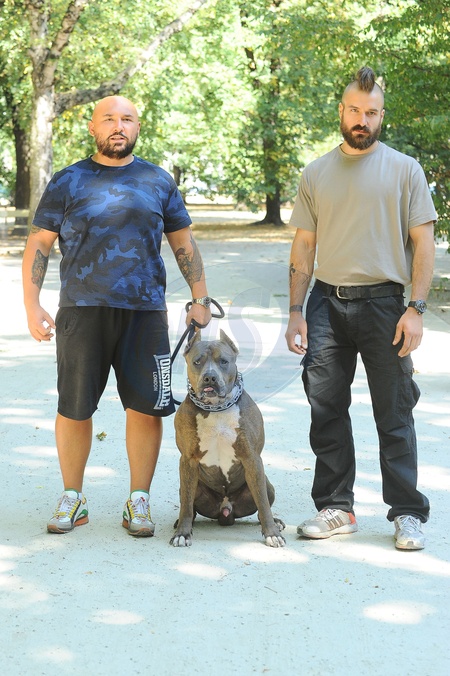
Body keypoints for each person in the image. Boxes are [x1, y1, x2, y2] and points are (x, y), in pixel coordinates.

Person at [22, 95, 212, 537]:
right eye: (108, 118)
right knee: (73, 407)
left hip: (145, 315)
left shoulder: (157, 181)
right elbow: (40, 243)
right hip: (80, 312)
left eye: (127, 119)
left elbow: (183, 243)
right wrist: (32, 304)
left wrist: (200, 297)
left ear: (138, 127)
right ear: (93, 127)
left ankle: (138, 500)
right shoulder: (68, 180)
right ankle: (73, 496)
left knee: (146, 408)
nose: (118, 126)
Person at [285, 67, 437, 550]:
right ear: (342, 111)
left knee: (394, 411)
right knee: (326, 408)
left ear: (381, 116)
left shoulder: (405, 169)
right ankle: (336, 507)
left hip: (386, 305)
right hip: (325, 304)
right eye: (355, 110)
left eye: (371, 112)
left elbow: (424, 243)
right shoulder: (316, 173)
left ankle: (407, 512)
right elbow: (304, 245)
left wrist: (415, 308)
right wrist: (295, 310)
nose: (362, 120)